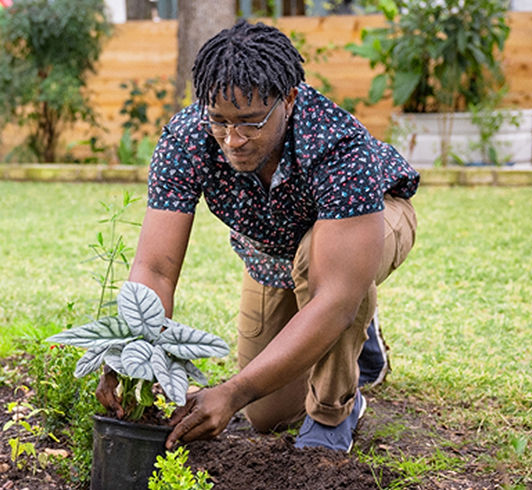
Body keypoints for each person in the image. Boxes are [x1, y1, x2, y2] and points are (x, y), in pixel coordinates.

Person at [96, 20, 419, 453]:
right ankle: (360, 339)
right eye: (220, 121)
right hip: (271, 254)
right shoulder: (187, 139)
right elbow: (155, 268)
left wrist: (231, 392)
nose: (233, 140)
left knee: (330, 288)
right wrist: (127, 352)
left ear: (287, 98)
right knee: (265, 414)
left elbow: (333, 299)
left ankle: (334, 410)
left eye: (250, 123)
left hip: (375, 222)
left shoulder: (338, 145)